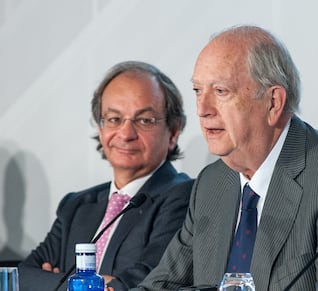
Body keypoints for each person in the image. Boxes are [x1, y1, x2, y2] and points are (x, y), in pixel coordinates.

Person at [131, 25, 318, 291]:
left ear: (273, 102)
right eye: (198, 91)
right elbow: (161, 285)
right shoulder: (212, 183)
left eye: (221, 91)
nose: (203, 109)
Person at [18, 61, 194, 291]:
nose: (126, 133)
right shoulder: (76, 205)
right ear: (100, 129)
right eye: (114, 119)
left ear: (173, 132)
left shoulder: (185, 196)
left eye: (144, 120)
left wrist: (57, 283)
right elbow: (24, 277)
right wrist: (92, 285)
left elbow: (149, 280)